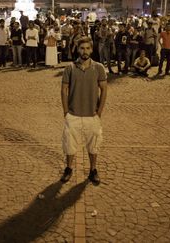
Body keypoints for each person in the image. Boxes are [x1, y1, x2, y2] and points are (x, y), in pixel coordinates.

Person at [60, 36, 107, 185]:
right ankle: (68, 169)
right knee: (70, 144)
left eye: (87, 48)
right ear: (77, 49)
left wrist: (99, 111)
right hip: (73, 115)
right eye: (82, 48)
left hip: (92, 115)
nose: (85, 51)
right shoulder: (70, 68)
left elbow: (104, 89)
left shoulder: (99, 68)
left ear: (91, 49)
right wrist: (66, 111)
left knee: (93, 145)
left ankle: (93, 170)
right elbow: (63, 90)